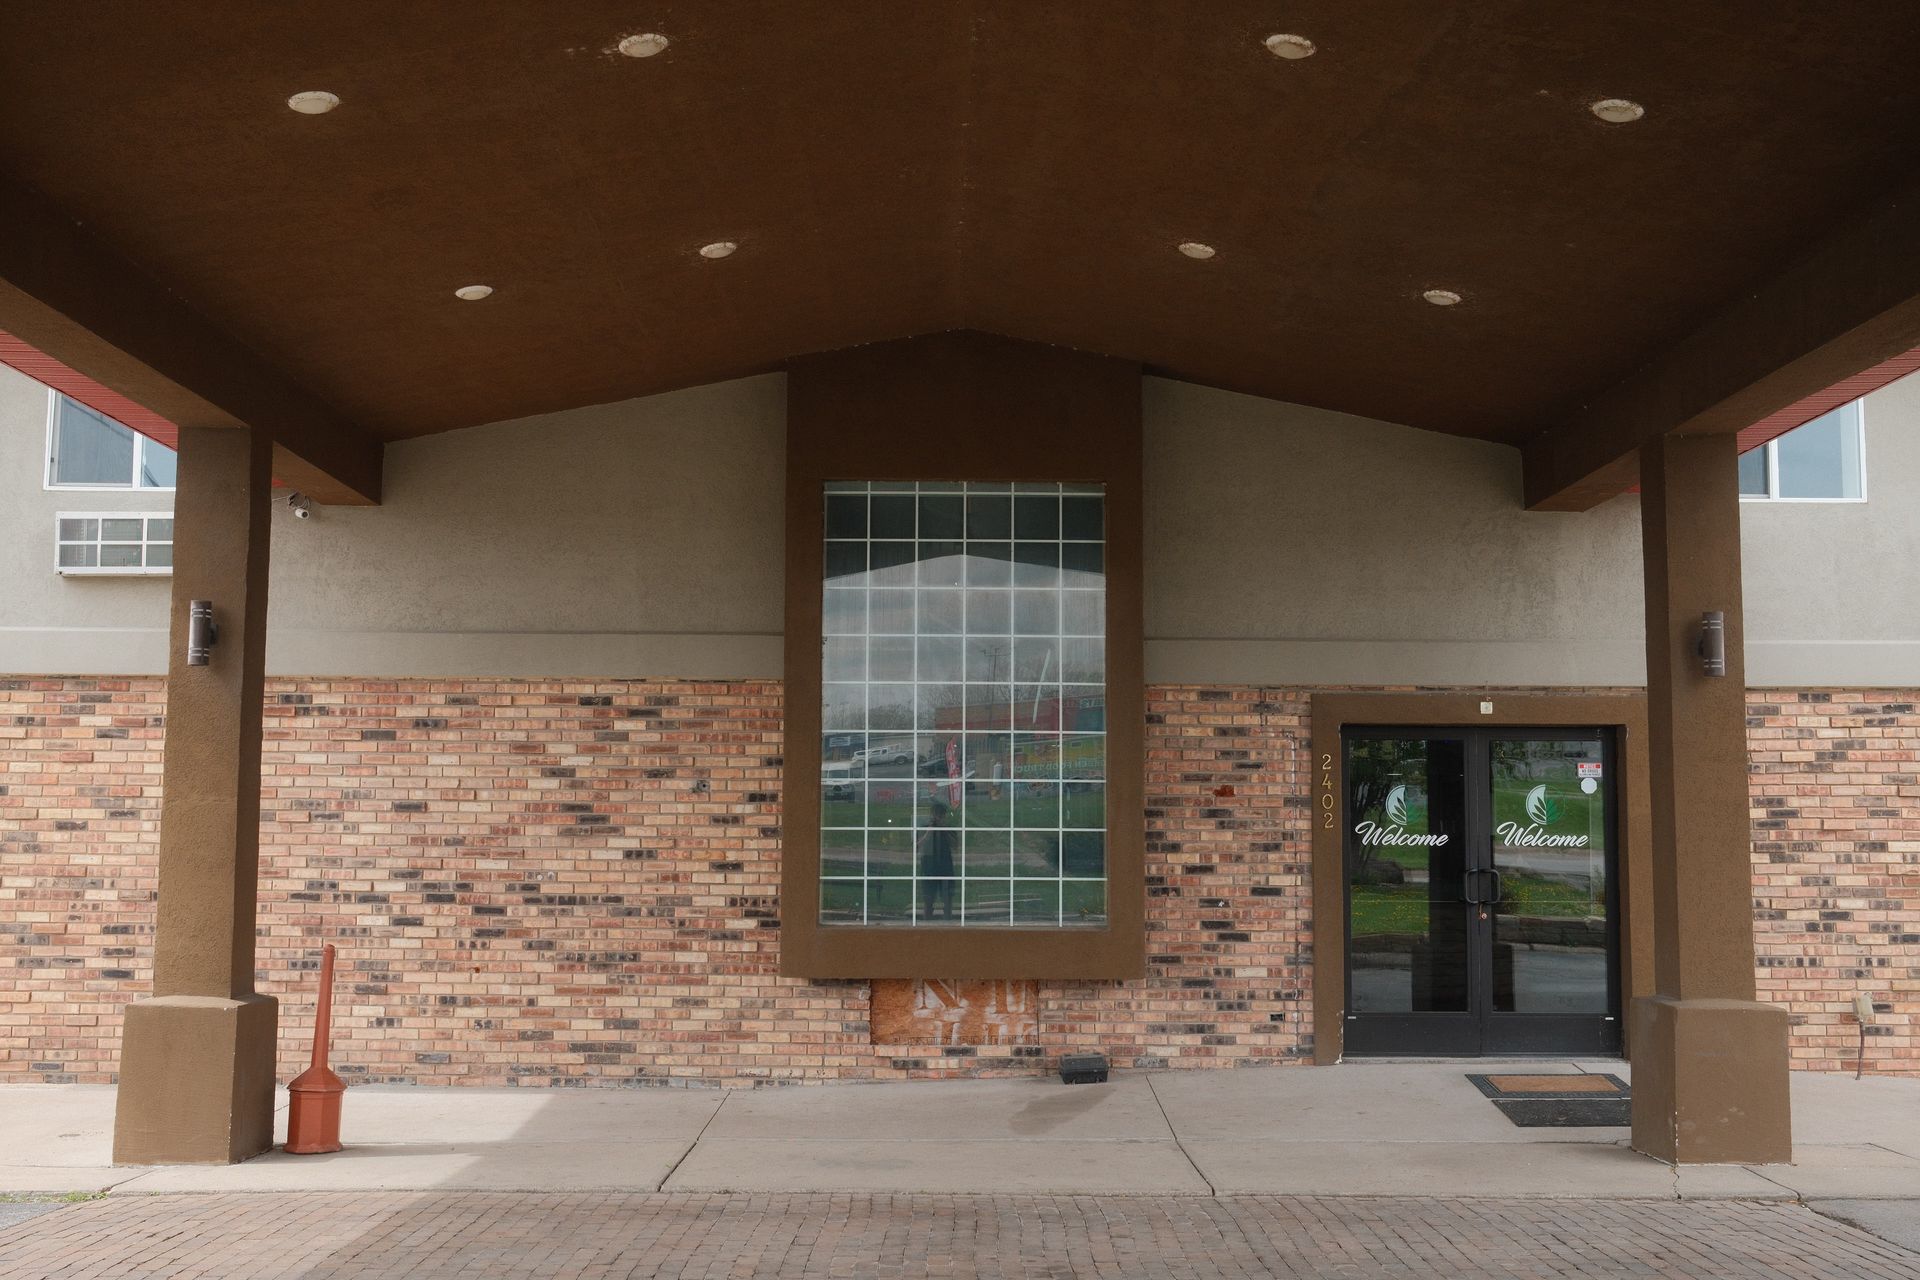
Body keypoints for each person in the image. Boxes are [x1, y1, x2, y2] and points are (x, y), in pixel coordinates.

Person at [919, 800, 956, 921]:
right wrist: (928, 833)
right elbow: (916, 846)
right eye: (936, 815)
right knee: (928, 900)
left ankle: (948, 924)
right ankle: (926, 924)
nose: (938, 818)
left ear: (944, 816)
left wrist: (944, 830)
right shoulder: (925, 828)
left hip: (945, 868)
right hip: (929, 868)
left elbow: (955, 846)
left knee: (947, 901)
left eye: (940, 815)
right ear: (932, 815)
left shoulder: (948, 829)